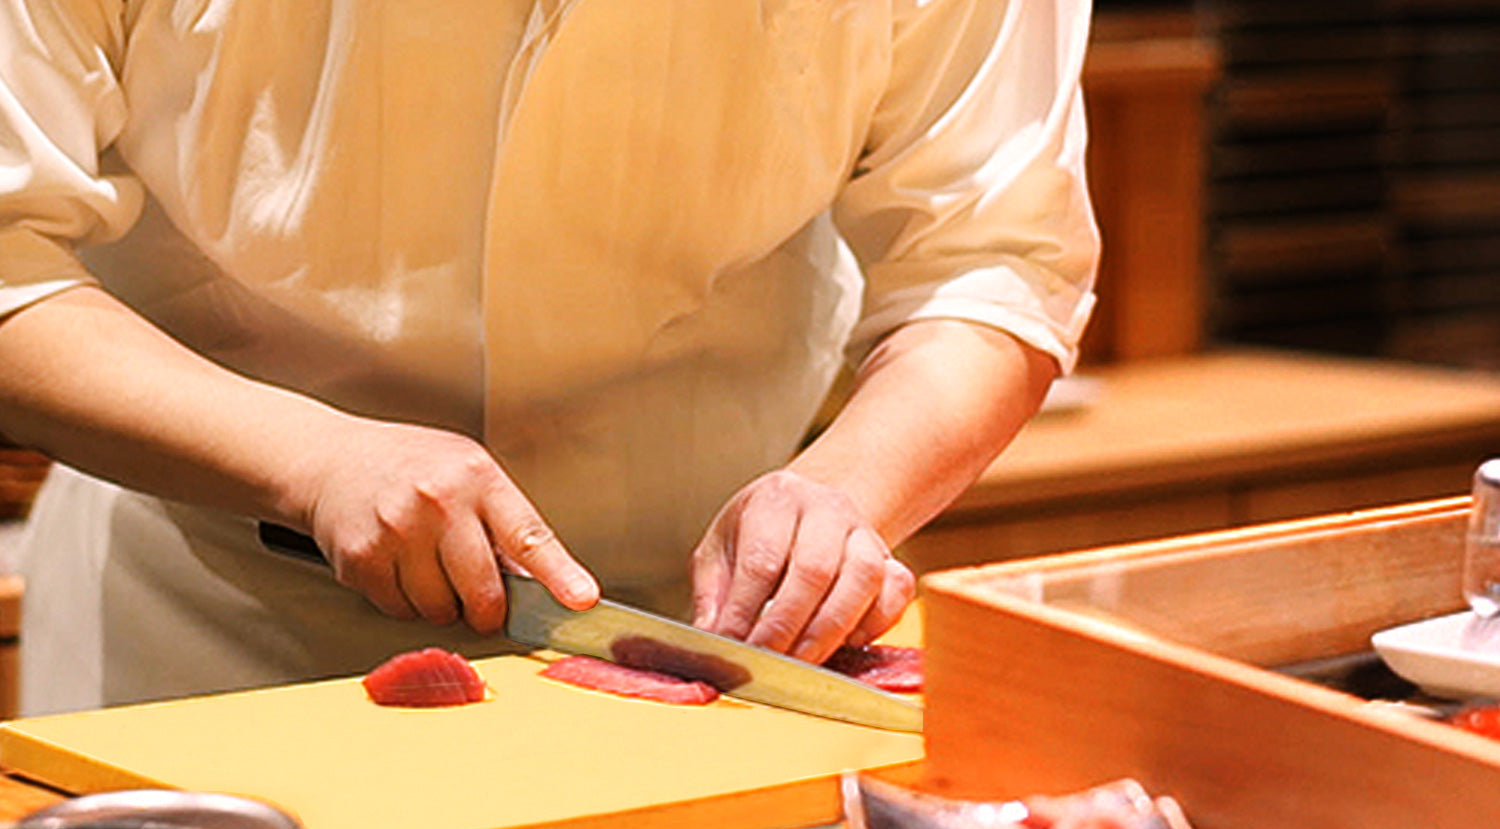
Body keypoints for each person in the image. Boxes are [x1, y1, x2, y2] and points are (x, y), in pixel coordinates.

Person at [0, 0, 1098, 714]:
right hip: (211, 627)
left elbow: (990, 261)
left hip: (700, 635)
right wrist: (314, 458)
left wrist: (839, 492)